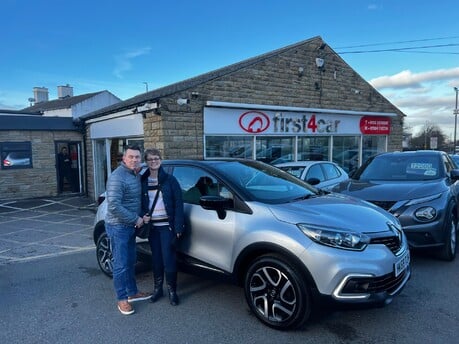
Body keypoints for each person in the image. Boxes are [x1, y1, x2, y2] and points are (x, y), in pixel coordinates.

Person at [105, 145, 152, 315]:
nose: (134, 160)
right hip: (118, 227)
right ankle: (122, 299)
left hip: (130, 226)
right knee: (121, 264)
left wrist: (140, 216)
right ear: (123, 158)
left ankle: (132, 293)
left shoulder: (135, 173)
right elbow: (114, 206)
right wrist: (137, 219)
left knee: (131, 260)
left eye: (137, 157)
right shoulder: (118, 177)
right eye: (130, 157)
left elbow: (135, 199)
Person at [141, 148, 184, 306]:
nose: (154, 161)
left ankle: (172, 291)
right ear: (146, 162)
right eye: (150, 159)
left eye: (156, 158)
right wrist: (142, 215)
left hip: (167, 228)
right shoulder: (143, 181)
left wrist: (178, 227)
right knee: (157, 259)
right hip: (152, 229)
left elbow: (179, 204)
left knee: (169, 259)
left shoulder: (170, 180)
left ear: (161, 159)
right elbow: (139, 203)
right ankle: (157, 289)